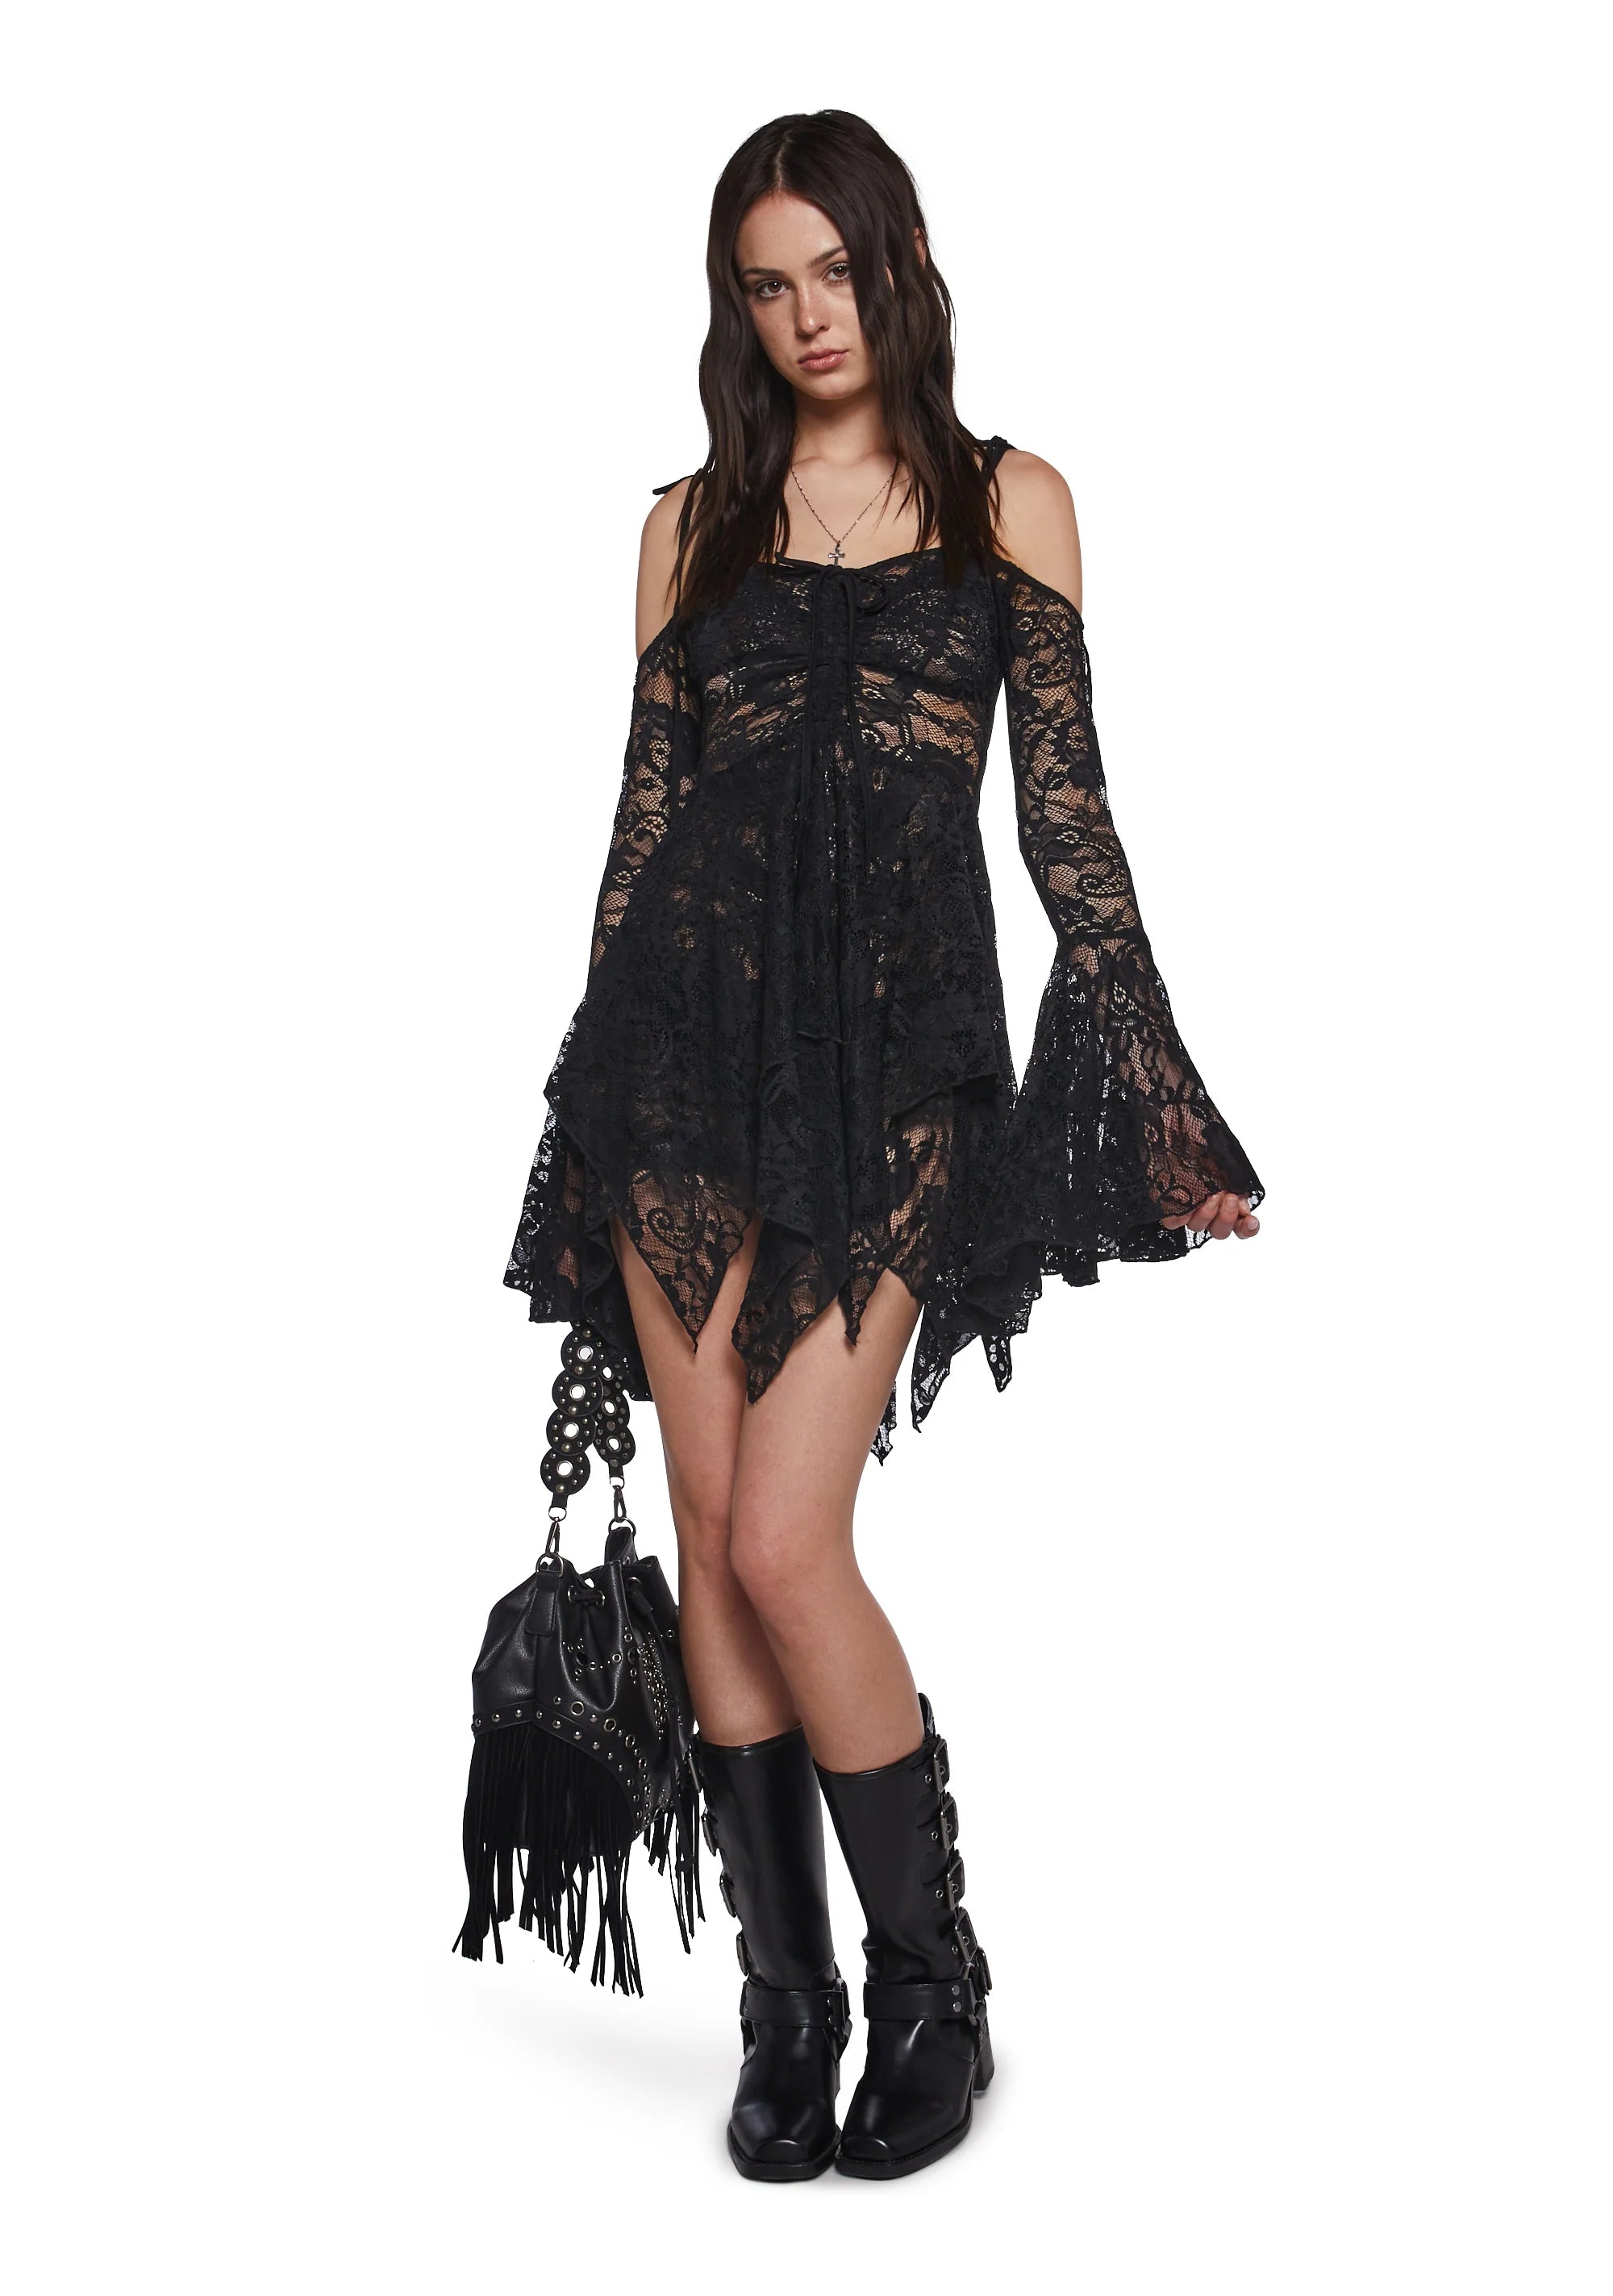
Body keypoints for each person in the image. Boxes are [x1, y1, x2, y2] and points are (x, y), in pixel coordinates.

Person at [503, 108, 1263, 2181]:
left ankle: (935, 1986)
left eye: (833, 272)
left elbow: (1067, 826)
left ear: (897, 266)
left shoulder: (1012, 499)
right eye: (767, 285)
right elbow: (641, 839)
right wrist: (591, 1108)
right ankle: (790, 2000)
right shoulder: (687, 524)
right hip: (682, 1069)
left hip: (903, 1071)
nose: (807, 316)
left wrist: (1157, 1087)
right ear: (736, 308)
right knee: (711, 1533)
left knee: (782, 1534)